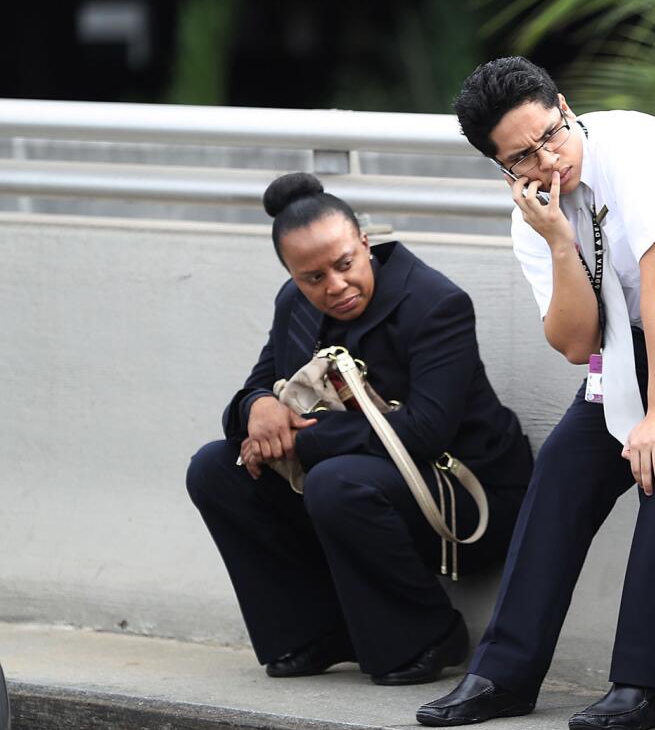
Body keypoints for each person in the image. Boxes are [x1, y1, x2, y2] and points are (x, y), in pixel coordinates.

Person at [417, 56, 655, 730]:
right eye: (522, 157)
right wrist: (560, 242)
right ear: (500, 167)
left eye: (551, 137)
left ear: (564, 106)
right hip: (639, 344)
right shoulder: (535, 214)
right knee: (563, 465)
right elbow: (575, 342)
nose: (546, 160)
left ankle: (646, 686)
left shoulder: (631, 145)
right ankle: (503, 673)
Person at [187, 173, 532, 686]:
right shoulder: (295, 303)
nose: (335, 286)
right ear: (291, 275)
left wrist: (302, 438)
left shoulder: (435, 303)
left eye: (345, 264)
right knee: (215, 469)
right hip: (364, 491)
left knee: (336, 481)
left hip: (466, 495)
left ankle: (430, 636)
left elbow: (424, 432)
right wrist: (257, 407)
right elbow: (263, 384)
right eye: (313, 277)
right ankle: (315, 632)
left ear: (365, 243)